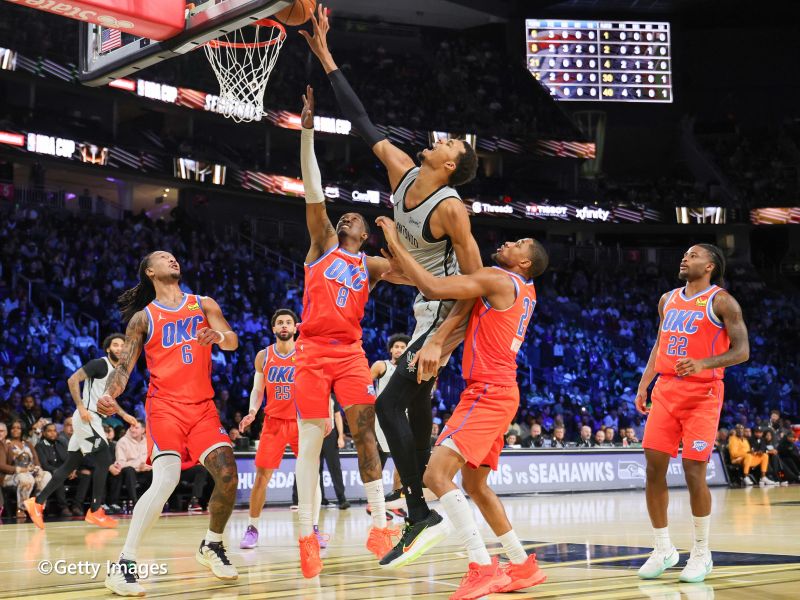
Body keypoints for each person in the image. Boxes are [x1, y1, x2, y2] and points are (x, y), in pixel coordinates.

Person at [302, 6, 482, 566]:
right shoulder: (402, 170)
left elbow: (474, 285)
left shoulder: (451, 209)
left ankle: (420, 512)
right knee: (416, 414)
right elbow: (362, 121)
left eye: (451, 144)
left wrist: (441, 339)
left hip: (447, 314)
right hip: (424, 306)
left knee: (385, 406)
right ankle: (445, 517)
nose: (442, 140)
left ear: (450, 167)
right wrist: (325, 53)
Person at [378, 217, 549, 598]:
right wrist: (402, 271)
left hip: (487, 393)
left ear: (524, 262)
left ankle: (482, 567)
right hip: (503, 391)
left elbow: (434, 287)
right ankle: (521, 563)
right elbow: (452, 294)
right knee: (475, 485)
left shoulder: (498, 279)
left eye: (518, 243)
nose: (508, 242)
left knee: (435, 475)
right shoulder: (523, 289)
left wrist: (395, 240)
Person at [292, 86, 397, 578]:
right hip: (311, 352)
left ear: (365, 234)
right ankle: (306, 534)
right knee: (311, 443)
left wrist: (397, 239)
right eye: (344, 215)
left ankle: (379, 525)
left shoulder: (371, 265)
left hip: (351, 352)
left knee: (365, 433)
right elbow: (313, 188)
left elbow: (415, 272)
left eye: (353, 218)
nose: (345, 216)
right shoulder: (323, 243)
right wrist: (307, 132)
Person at [97, 251, 240, 596]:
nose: (173, 260)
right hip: (165, 408)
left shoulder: (203, 303)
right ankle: (123, 566)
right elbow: (123, 369)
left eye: (174, 257)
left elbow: (232, 340)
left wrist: (219, 338)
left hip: (202, 407)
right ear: (150, 271)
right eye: (164, 258)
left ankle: (212, 544)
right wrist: (109, 395)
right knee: (166, 480)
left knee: (228, 476)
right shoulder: (143, 318)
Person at [635, 244, 749, 583]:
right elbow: (660, 344)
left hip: (704, 393)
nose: (685, 258)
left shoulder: (722, 301)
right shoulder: (667, 299)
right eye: (685, 254)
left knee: (693, 470)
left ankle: (701, 552)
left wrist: (704, 363)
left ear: (710, 266)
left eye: (694, 255)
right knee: (653, 468)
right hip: (666, 389)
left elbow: (742, 351)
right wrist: (644, 384)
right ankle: (663, 549)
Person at [238, 308, 326, 550]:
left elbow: (320, 387)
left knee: (312, 478)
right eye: (280, 322)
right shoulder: (263, 356)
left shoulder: (307, 354)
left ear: (296, 327)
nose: (284, 325)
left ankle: (314, 529)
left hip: (302, 422)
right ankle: (252, 528)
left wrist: (325, 415)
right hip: (273, 422)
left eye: (288, 322)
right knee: (261, 478)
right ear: (273, 328)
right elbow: (258, 390)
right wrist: (252, 412)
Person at [24, 333, 133, 529]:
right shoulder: (99, 364)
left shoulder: (117, 371)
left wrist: (125, 416)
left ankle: (36, 503)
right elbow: (72, 380)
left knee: (68, 466)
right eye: (115, 345)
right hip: (87, 417)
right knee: (105, 459)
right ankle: (95, 510)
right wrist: (81, 407)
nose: (119, 348)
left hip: (94, 419)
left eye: (122, 346)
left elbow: (108, 399)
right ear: (108, 348)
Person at [369, 333, 410, 509]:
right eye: (396, 347)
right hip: (382, 418)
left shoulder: (410, 369)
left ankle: (395, 498)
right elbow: (365, 385)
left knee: (403, 461)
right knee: (380, 460)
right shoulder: (381, 365)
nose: (399, 350)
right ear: (391, 349)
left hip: (403, 417)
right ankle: (374, 502)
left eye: (403, 347)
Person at [3, 419, 52, 517]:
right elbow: (4, 465)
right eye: (13, 428)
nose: (15, 430)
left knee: (46, 475)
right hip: (11, 475)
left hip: (30, 472)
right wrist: (21, 470)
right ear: (9, 430)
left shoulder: (27, 443)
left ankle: (38, 506)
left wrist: (37, 469)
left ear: (22, 430)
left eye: (18, 428)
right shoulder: (5, 444)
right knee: (25, 478)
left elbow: (36, 460)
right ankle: (21, 508)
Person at [34, 423, 72, 516]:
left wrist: (72, 470)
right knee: (58, 476)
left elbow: (69, 459)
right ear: (44, 433)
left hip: (65, 471)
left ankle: (77, 506)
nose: (53, 433)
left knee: (86, 475)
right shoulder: (40, 446)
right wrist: (61, 471)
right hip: (51, 472)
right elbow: (45, 465)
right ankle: (64, 507)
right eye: (49, 431)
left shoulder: (61, 443)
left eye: (54, 431)